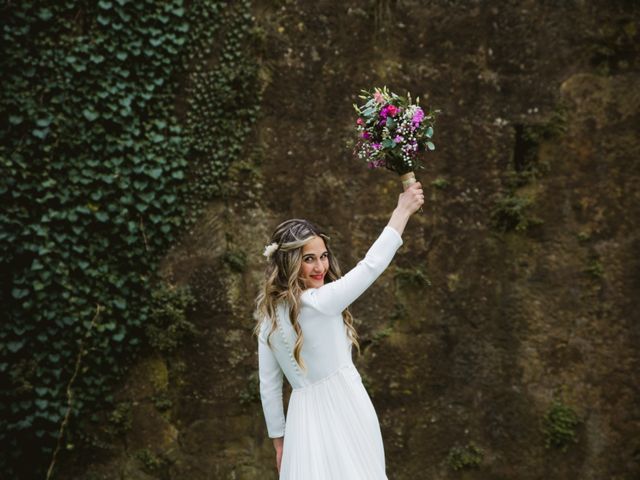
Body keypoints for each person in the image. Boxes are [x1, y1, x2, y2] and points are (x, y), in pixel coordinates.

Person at [254, 182, 424, 479]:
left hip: (301, 423)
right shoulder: (320, 301)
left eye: (323, 256)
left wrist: (280, 444)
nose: (320, 266)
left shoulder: (267, 317)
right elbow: (370, 266)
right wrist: (402, 211)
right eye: (309, 259)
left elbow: (268, 387)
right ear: (289, 262)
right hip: (345, 406)